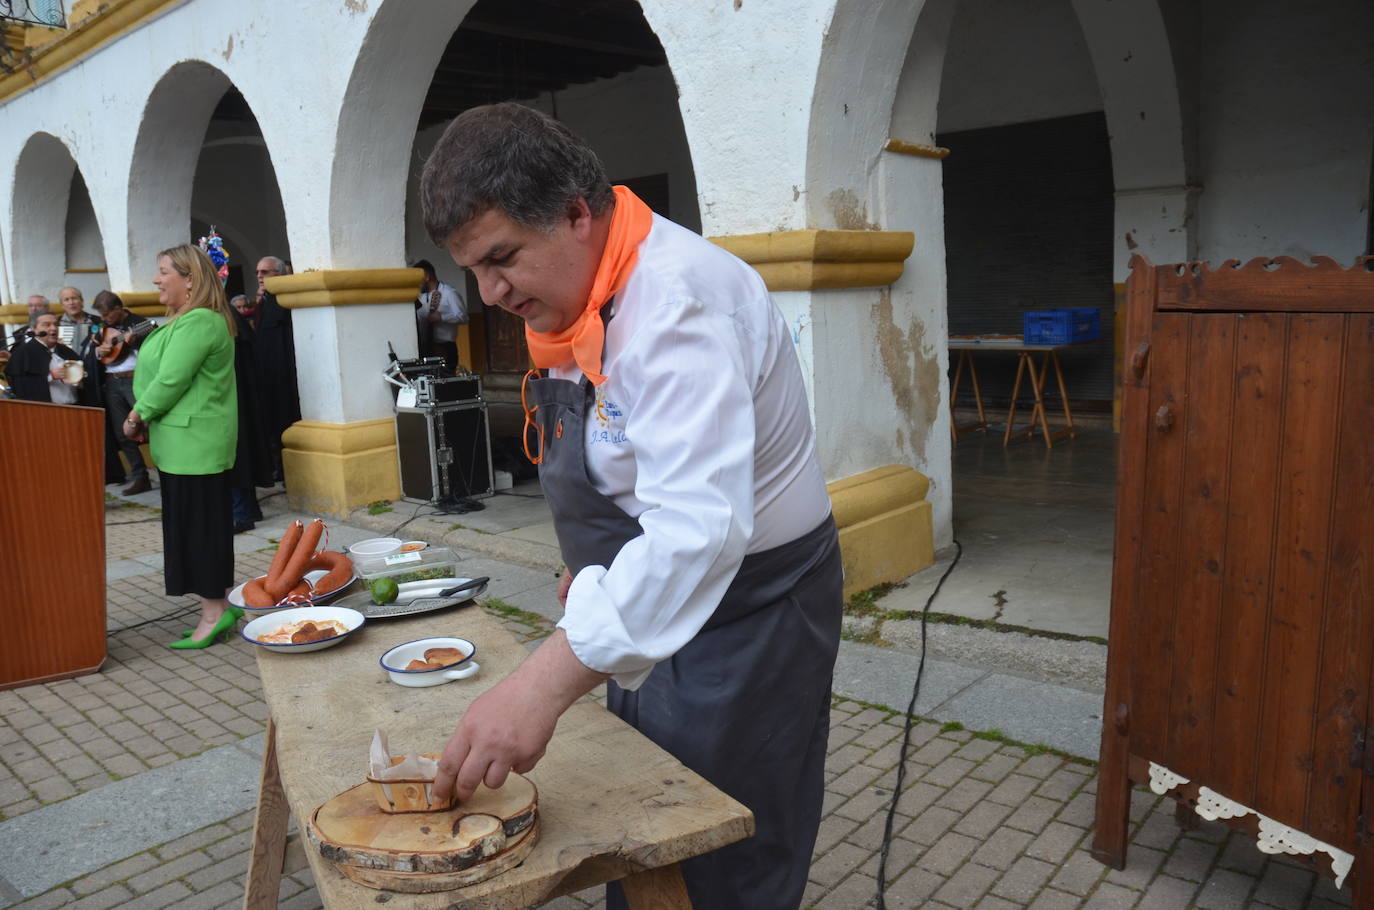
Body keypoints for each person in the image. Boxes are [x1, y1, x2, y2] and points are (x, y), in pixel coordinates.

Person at [420, 103, 841, 910]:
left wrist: (539, 687)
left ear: (578, 213)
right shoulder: (577, 295)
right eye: (472, 268)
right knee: (643, 824)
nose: (490, 292)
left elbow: (697, 528)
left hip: (755, 612)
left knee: (719, 841)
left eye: (502, 258)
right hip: (653, 599)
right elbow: (622, 463)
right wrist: (594, 577)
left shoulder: (677, 304)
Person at [124, 243, 243, 649]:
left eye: (163, 272)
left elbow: (170, 380)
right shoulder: (179, 321)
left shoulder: (201, 323)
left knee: (201, 532)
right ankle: (215, 608)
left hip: (196, 446)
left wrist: (137, 415)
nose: (156, 280)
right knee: (190, 530)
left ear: (189, 279)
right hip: (179, 445)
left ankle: (215, 613)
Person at [91, 291, 155, 495]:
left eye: (107, 314)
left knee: (148, 425)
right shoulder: (102, 328)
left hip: (135, 379)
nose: (103, 319)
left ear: (118, 309)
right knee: (122, 431)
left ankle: (166, 472)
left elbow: (154, 347)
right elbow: (91, 345)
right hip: (112, 382)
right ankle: (140, 477)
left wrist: (132, 341)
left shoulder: (140, 323)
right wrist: (97, 351)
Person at [252, 255, 300, 478]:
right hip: (267, 375)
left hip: (286, 374)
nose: (260, 277)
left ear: (280, 274)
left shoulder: (287, 300)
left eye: (265, 272)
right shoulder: (265, 301)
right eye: (257, 273)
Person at [7, 312, 83, 403]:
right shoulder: (23, 352)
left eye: (56, 324)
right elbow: (18, 385)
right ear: (34, 329)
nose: (53, 328)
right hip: (43, 411)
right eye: (47, 325)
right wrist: (50, 376)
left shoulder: (67, 351)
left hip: (75, 408)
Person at [412, 258, 467, 374]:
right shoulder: (420, 297)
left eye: (418, 278)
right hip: (425, 348)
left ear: (426, 276)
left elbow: (463, 317)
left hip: (445, 348)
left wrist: (442, 317)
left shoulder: (449, 293)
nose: (416, 282)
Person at [57, 286, 98, 352]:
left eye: (74, 298)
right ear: (62, 305)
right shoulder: (56, 323)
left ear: (82, 301)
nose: (71, 303)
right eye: (66, 300)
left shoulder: (97, 321)